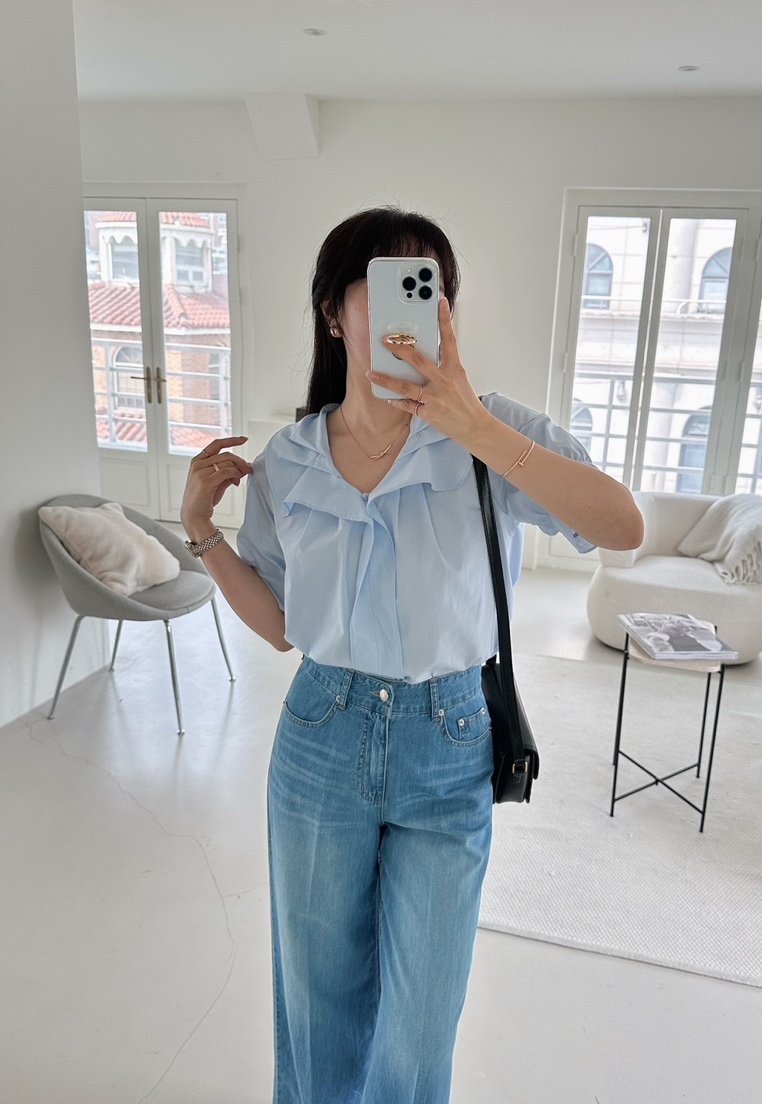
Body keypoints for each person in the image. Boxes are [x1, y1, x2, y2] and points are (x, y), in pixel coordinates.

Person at [179, 207, 643, 1104]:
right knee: (317, 1003)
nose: (413, 307)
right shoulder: (290, 460)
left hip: (449, 736)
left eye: (430, 288)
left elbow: (621, 527)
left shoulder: (492, 433)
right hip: (321, 730)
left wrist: (475, 427)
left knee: (422, 1024)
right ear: (333, 312)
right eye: (388, 282)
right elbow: (280, 624)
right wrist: (201, 529)